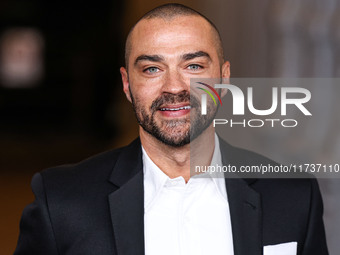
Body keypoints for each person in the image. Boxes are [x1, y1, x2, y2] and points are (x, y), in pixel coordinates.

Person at [14, 3, 328, 255]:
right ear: (127, 84)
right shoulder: (60, 202)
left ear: (224, 77)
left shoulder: (294, 196)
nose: (174, 87)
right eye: (152, 68)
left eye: (193, 66)